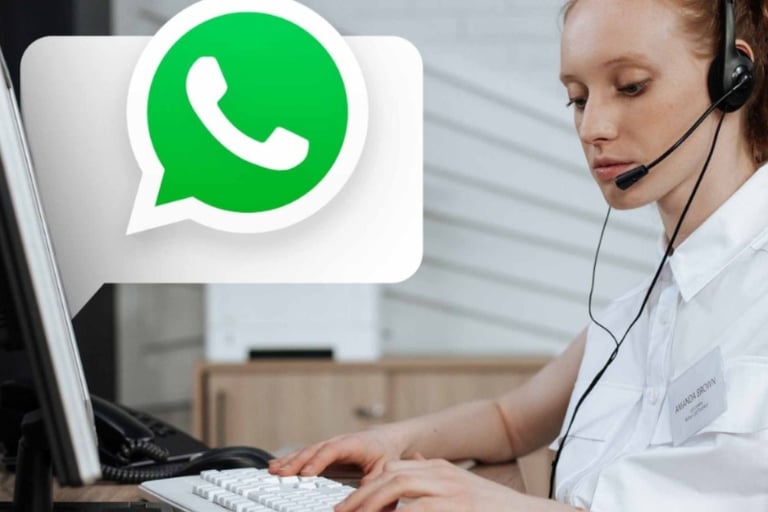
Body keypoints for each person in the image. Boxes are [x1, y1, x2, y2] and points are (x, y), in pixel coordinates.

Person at [269, 0, 768, 510]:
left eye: (631, 86)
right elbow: (510, 421)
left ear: (732, 78)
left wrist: (495, 503)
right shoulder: (648, 307)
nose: (592, 128)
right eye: (577, 99)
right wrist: (389, 441)